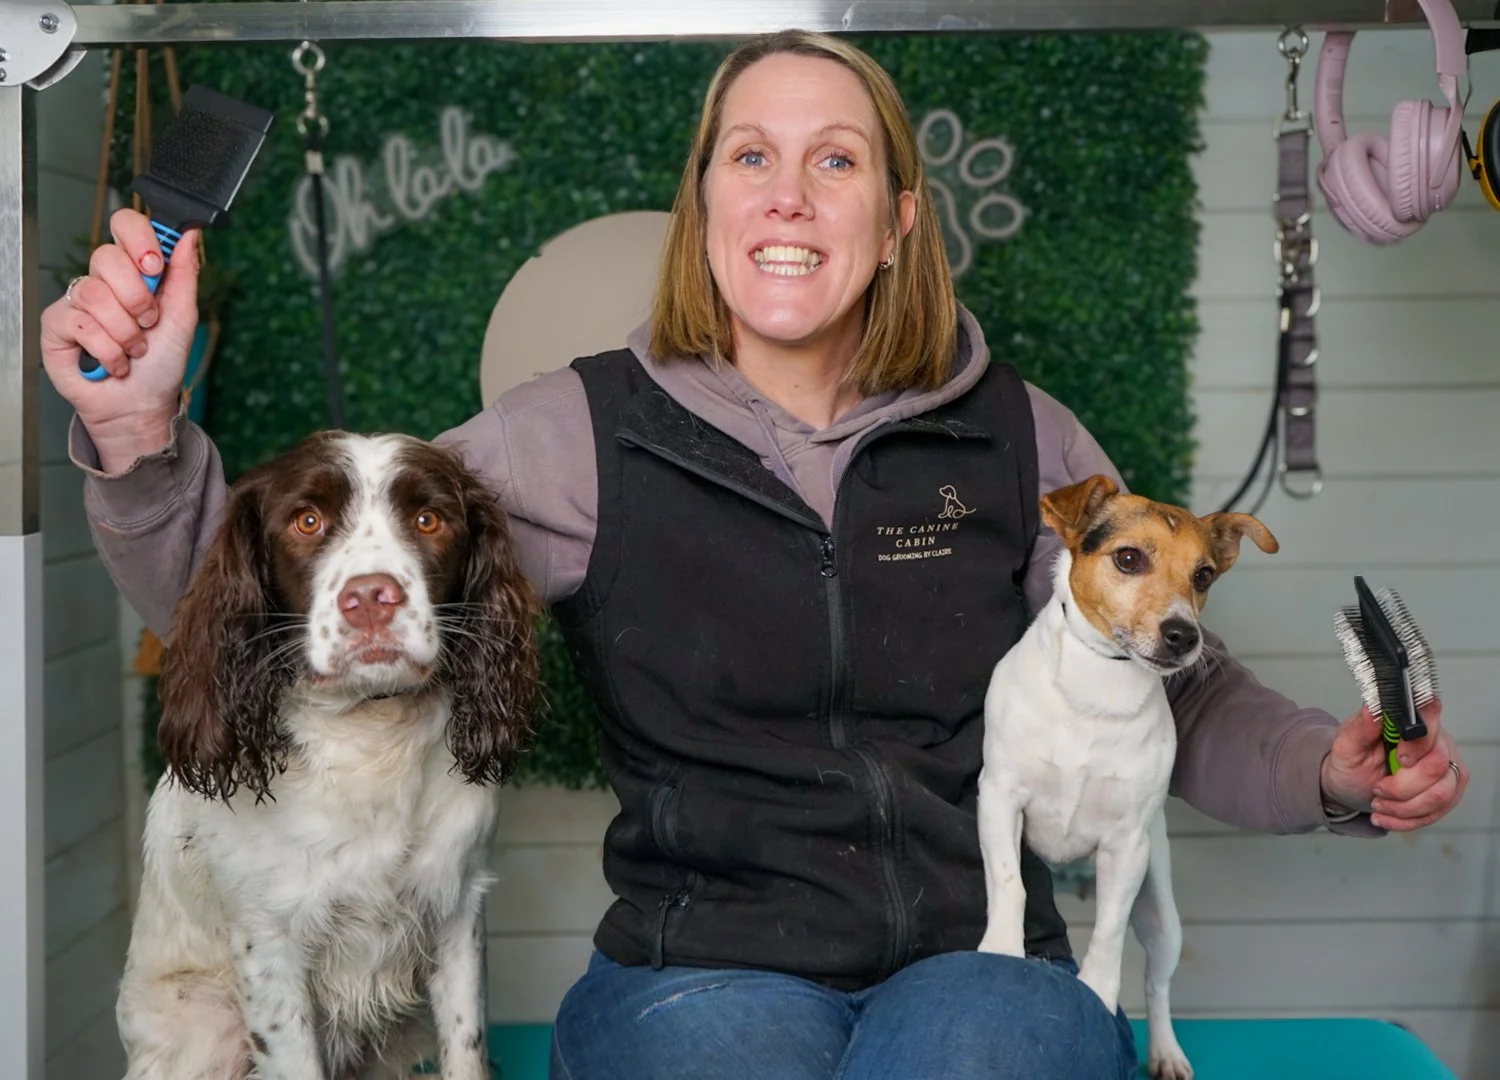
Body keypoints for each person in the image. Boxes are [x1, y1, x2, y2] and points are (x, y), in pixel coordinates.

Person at [41, 29, 1467, 1080]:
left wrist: (1328, 772)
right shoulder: (573, 436)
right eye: (752, 158)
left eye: (835, 161)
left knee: (973, 1063)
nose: (788, 195)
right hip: (695, 970)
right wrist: (143, 431)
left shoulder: (1020, 437)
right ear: (709, 208)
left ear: (901, 218)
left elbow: (1176, 684)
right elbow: (279, 610)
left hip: (975, 962)